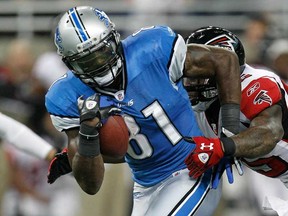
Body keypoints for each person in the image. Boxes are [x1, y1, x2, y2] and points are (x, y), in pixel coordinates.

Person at [45, 6, 242, 216]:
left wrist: (229, 132)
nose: (99, 64)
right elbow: (91, 186)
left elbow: (225, 59)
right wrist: (88, 136)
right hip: (145, 186)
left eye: (103, 52)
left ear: (115, 38)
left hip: (192, 167)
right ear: (69, 64)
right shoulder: (66, 97)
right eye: (86, 61)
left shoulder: (153, 49)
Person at [183, 26, 288, 191]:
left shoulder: (255, 82)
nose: (192, 82)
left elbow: (269, 133)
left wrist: (224, 146)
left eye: (201, 74)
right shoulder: (205, 109)